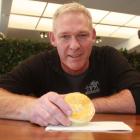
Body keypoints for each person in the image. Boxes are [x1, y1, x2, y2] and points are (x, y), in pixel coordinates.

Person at [0, 2, 140, 127]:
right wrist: (30, 107)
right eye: (65, 36)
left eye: (82, 35)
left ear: (93, 35)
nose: (74, 45)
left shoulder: (108, 57)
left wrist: (85, 107)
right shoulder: (40, 63)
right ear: (53, 38)